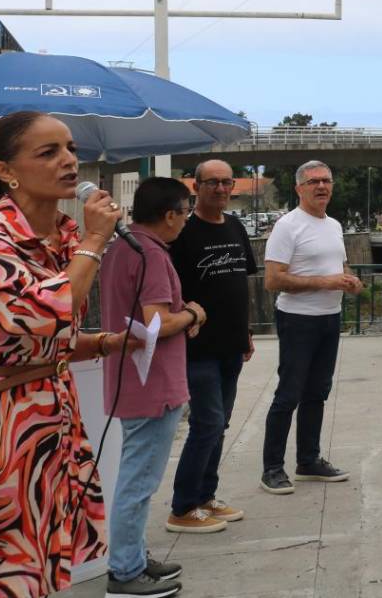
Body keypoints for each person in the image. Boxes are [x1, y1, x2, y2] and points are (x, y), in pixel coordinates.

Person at [0, 111, 137, 597]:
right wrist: (94, 241)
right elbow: (38, 316)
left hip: (55, 406)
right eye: (48, 153)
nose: (68, 162)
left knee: (46, 539)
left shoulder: (64, 236)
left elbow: (53, 335)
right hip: (2, 415)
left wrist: (107, 342)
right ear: (6, 171)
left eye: (69, 149)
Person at [100, 176, 206, 598]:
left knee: (135, 477)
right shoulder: (152, 256)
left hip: (131, 380)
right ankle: (125, 572)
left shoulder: (120, 250)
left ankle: (135, 555)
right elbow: (156, 323)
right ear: (169, 215)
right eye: (184, 212)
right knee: (139, 480)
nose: (185, 221)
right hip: (153, 384)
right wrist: (194, 314)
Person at [260, 161, 362, 495]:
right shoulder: (288, 226)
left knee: (317, 392)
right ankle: (272, 468)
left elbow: (339, 263)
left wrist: (348, 278)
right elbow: (273, 280)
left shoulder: (333, 225)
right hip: (297, 320)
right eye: (313, 181)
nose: (321, 186)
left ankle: (308, 460)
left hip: (329, 318)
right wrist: (325, 281)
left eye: (326, 181)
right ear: (299, 188)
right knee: (288, 394)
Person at [168, 160, 256, 533]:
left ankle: (206, 497)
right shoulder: (183, 233)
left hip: (232, 344)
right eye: (212, 182)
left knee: (220, 424)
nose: (220, 189)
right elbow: (171, 291)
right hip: (197, 346)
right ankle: (182, 506)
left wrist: (246, 331)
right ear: (196, 186)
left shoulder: (236, 226)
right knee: (207, 423)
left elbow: (240, 285)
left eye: (226, 182)